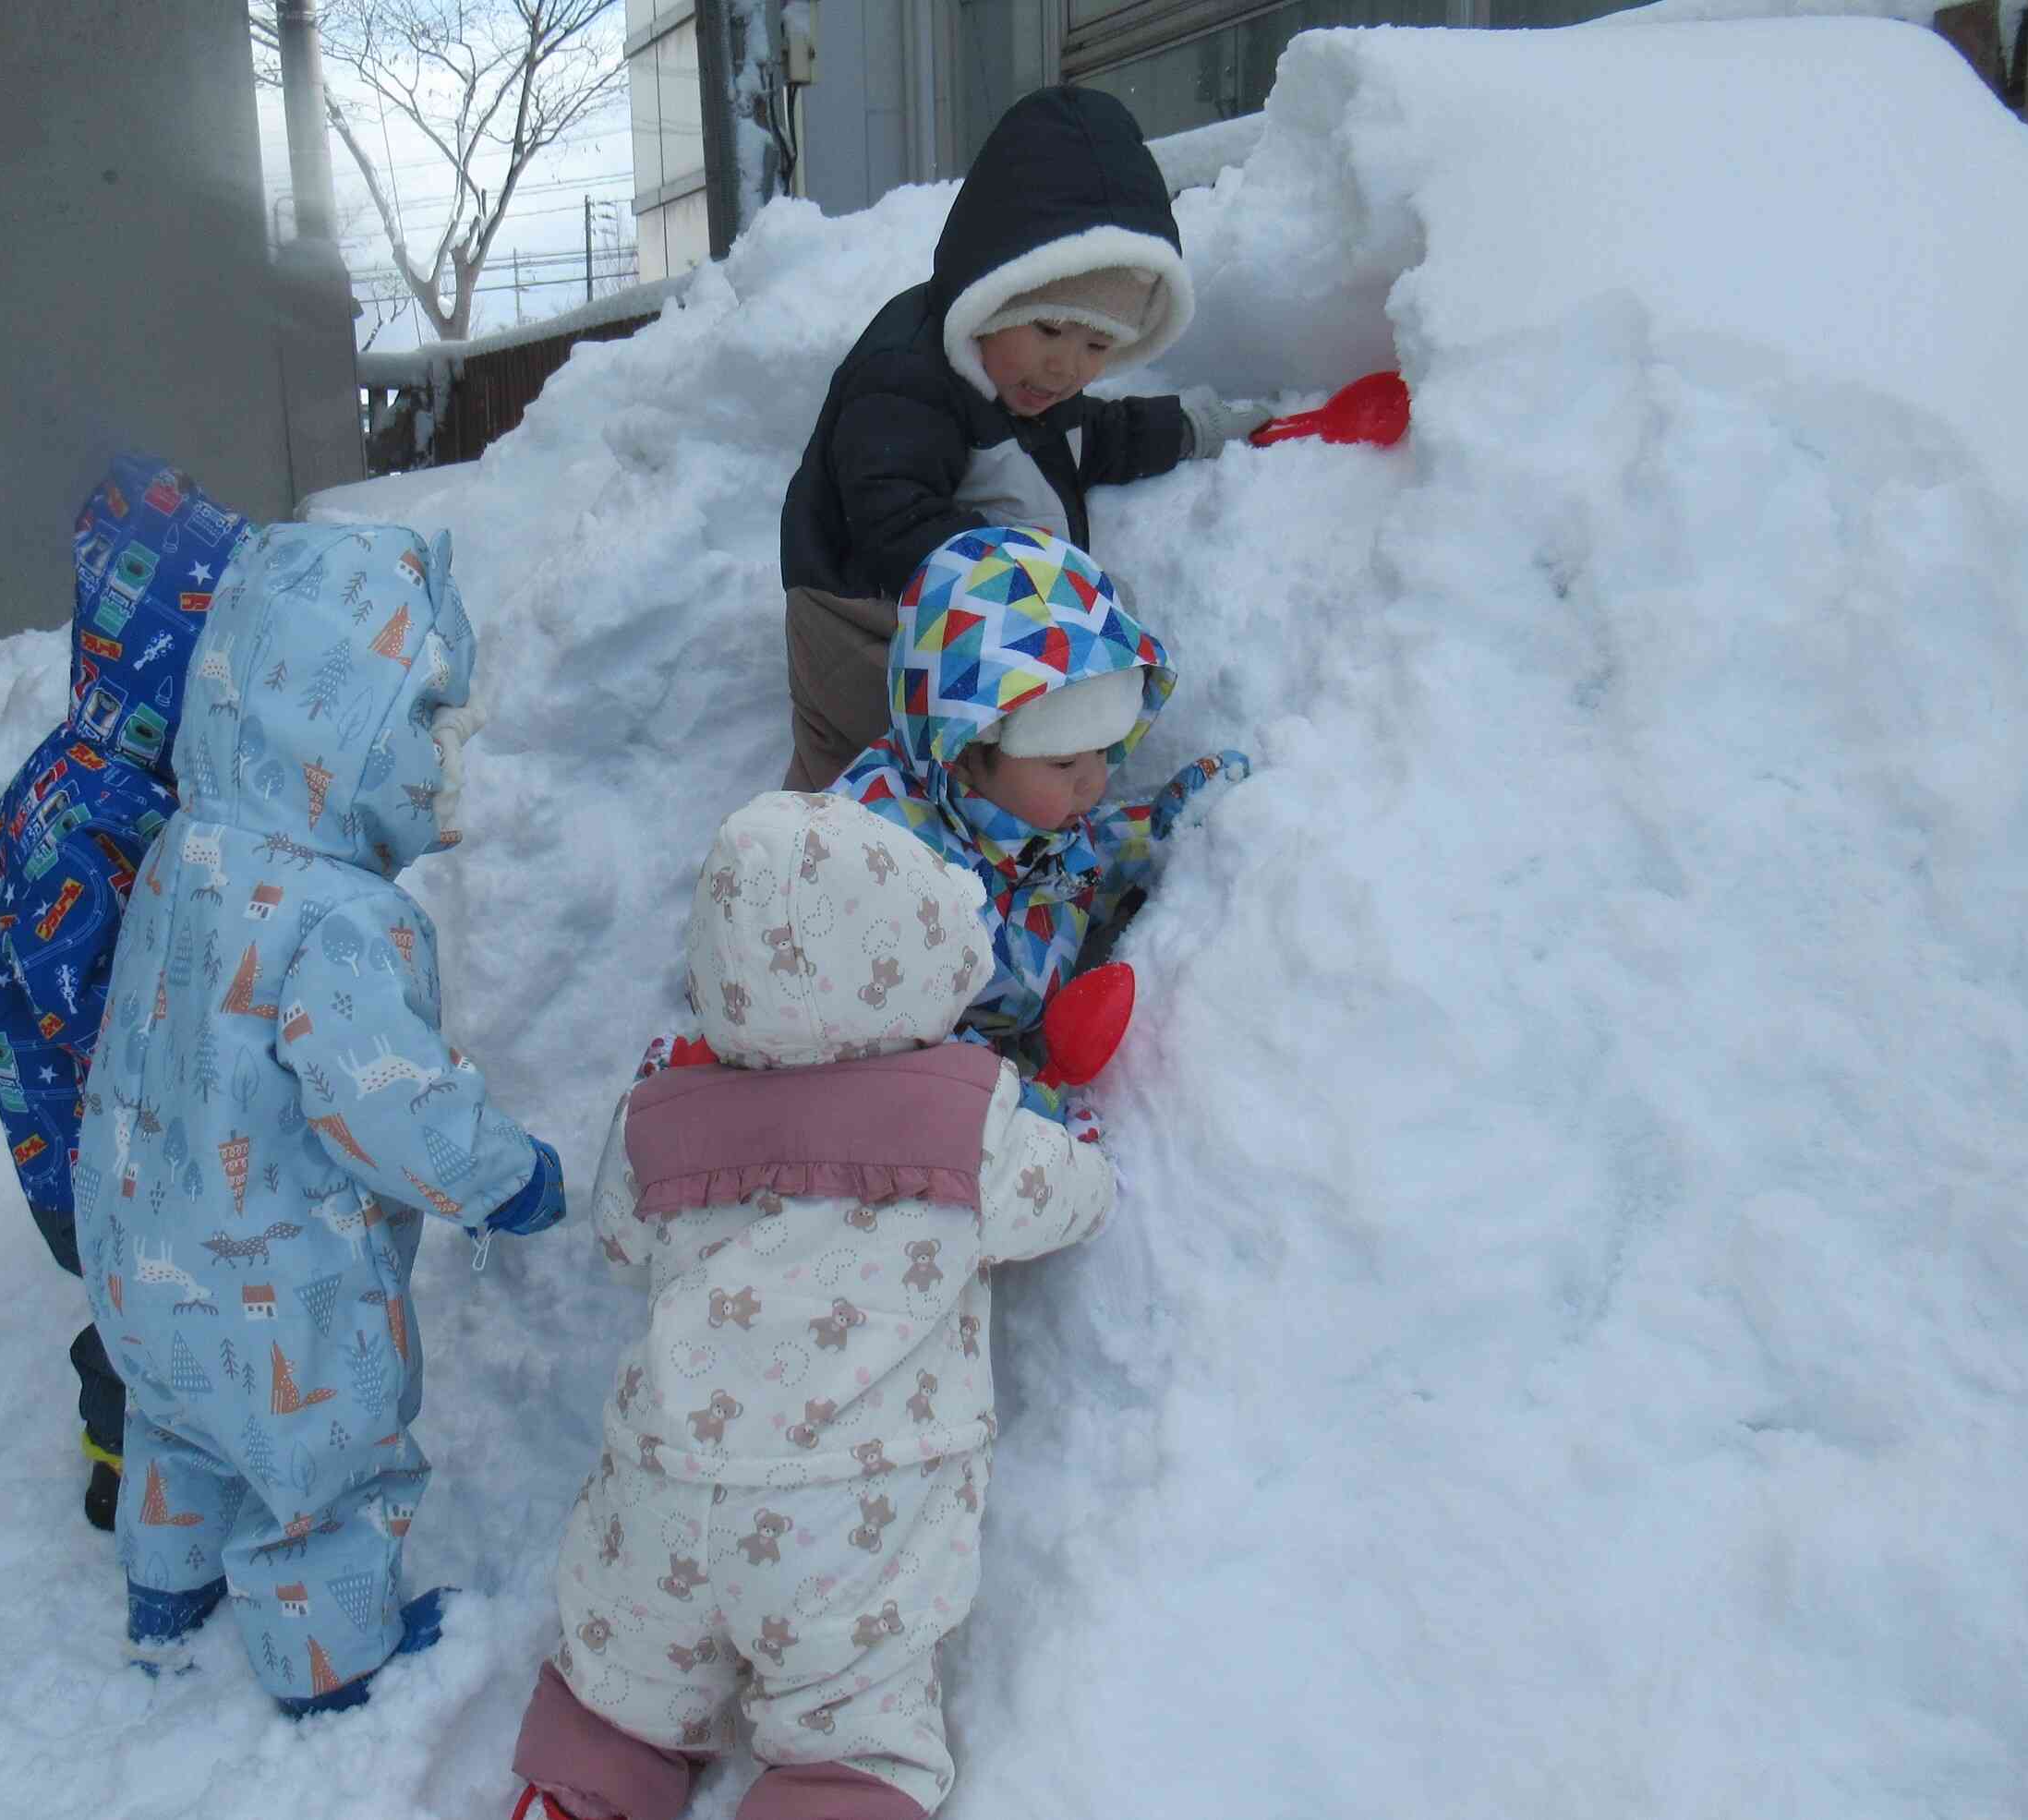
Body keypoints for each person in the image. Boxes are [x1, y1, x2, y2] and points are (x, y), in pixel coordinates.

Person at [506, 789, 1117, 1820]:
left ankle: (580, 1795)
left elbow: (619, 1239)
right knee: (852, 1734)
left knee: (621, 1691)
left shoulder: (661, 1119)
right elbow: (1072, 1199)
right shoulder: (964, 1120)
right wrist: (1075, 1118)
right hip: (844, 1529)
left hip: (660, 1494)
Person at [72, 520, 567, 1715]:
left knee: (180, 1425)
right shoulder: (347, 913)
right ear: (327, 730)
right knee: (325, 1460)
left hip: (137, 1260)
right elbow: (384, 1095)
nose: (441, 757)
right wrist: (503, 1172)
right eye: (420, 725)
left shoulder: (186, 850)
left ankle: (166, 1592)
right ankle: (330, 1655)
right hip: (275, 1282)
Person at [779, 83, 1271, 791]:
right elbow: (892, 518)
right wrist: (1042, 590)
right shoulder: (906, 377)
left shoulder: (1033, 382)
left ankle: (1007, 865)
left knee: (982, 777)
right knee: (869, 787)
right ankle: (801, 883)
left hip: (967, 622)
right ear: (990, 290)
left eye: (1098, 344)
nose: (1067, 365)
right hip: (861, 624)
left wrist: (1194, 428)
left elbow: (1098, 437)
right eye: (1047, 327)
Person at [0, 454, 253, 1531]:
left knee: (159, 1283)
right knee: (141, 1297)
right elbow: (79, 1002)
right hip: (82, 1137)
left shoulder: (132, 767)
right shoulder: (89, 809)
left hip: (111, 1127)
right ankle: (122, 1454)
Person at [833, 525, 1248, 1057]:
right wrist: (1018, 1107)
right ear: (963, 752)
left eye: (1103, 751)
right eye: (1065, 761)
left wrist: (1159, 829)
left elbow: (1072, 867)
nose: (1094, 781)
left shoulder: (1022, 810)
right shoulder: (890, 875)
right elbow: (903, 1054)